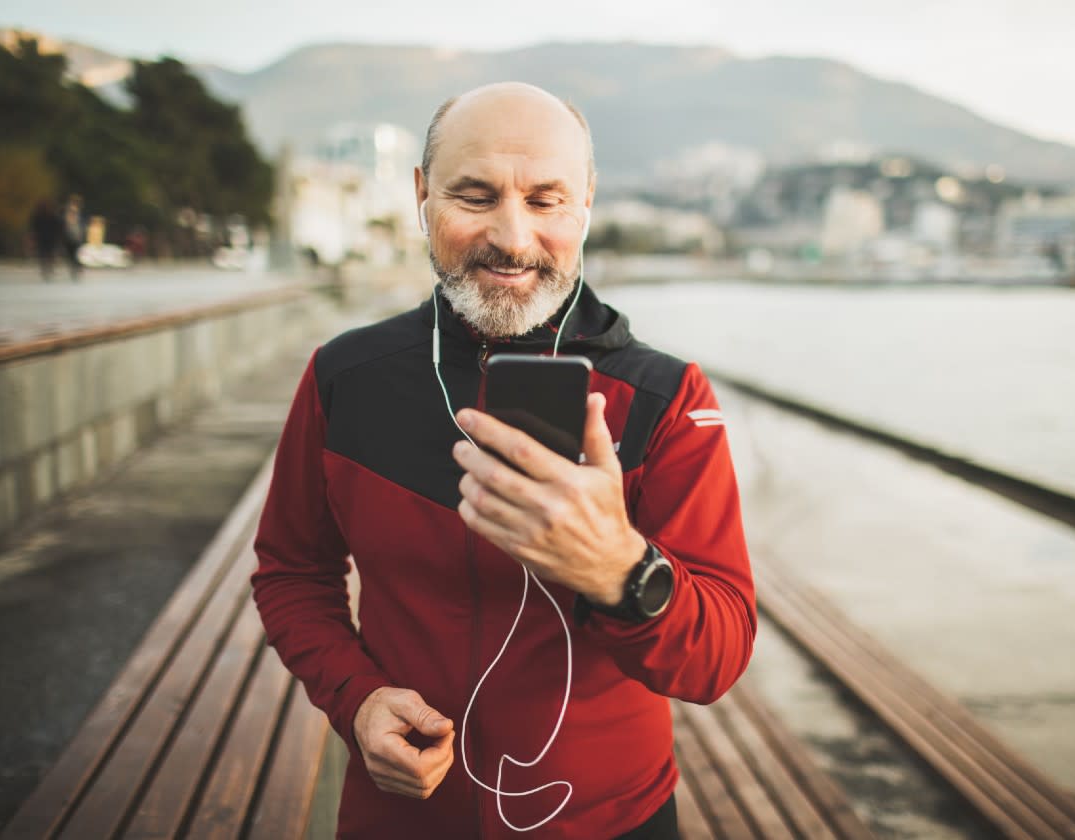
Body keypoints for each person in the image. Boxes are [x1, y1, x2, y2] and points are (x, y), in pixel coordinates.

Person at [251, 82, 756, 839]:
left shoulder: (668, 397)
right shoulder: (344, 376)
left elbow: (716, 657)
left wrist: (621, 572)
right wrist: (356, 700)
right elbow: (291, 571)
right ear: (422, 196)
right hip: (402, 815)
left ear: (586, 201)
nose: (513, 238)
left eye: (547, 200)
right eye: (475, 196)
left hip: (612, 818)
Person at [29, 200, 63, 281]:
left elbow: (58, 228)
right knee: (44, 255)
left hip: (48, 238)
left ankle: (48, 268)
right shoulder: (39, 216)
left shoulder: (51, 216)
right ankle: (46, 268)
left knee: (47, 254)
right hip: (44, 238)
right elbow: (34, 228)